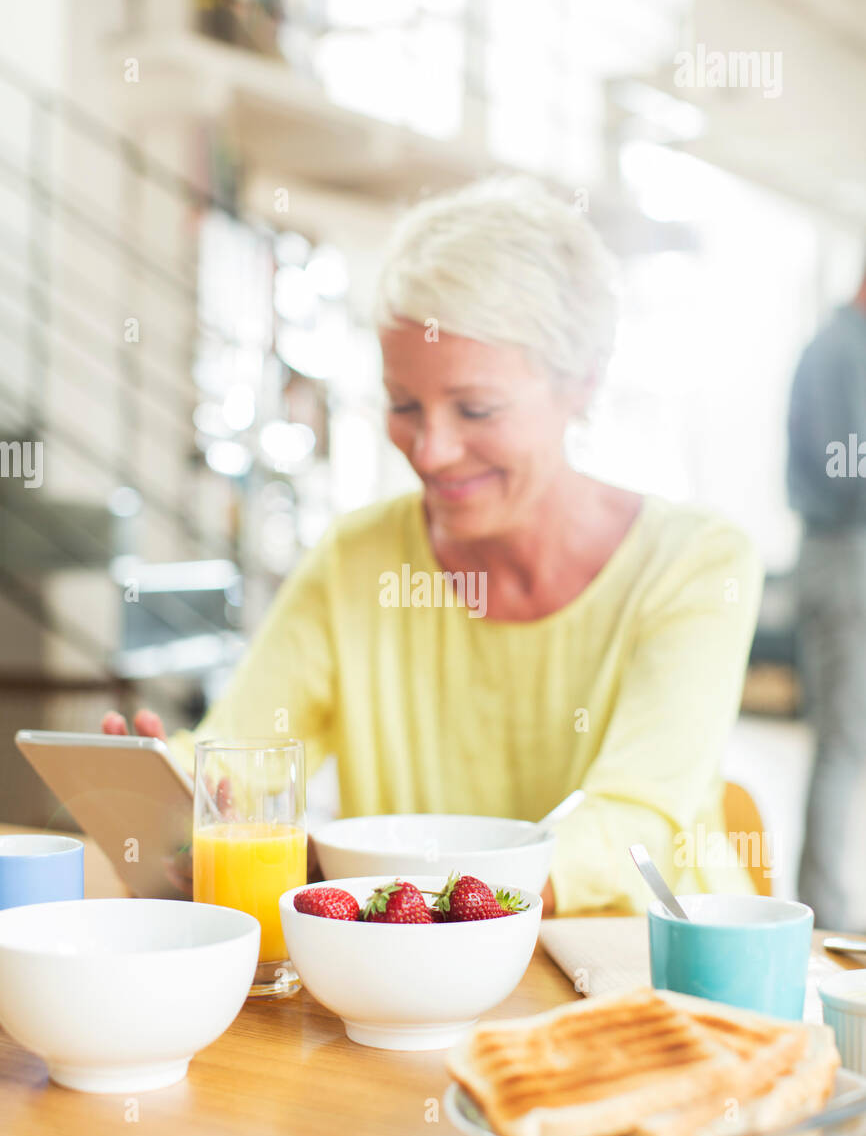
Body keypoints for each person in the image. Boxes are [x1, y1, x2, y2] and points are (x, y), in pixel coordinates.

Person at [104, 177, 762, 916]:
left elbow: (632, 824)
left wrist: (392, 886)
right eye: (404, 405)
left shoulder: (697, 564)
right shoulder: (357, 561)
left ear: (582, 381)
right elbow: (242, 758)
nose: (434, 449)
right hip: (415, 985)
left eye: (475, 408)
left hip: (656, 975)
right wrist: (173, 788)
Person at [788, 265, 866, 929]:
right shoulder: (845, 350)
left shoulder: (836, 345)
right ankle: (828, 917)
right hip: (847, 558)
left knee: (847, 738)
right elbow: (850, 468)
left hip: (840, 555)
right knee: (844, 741)